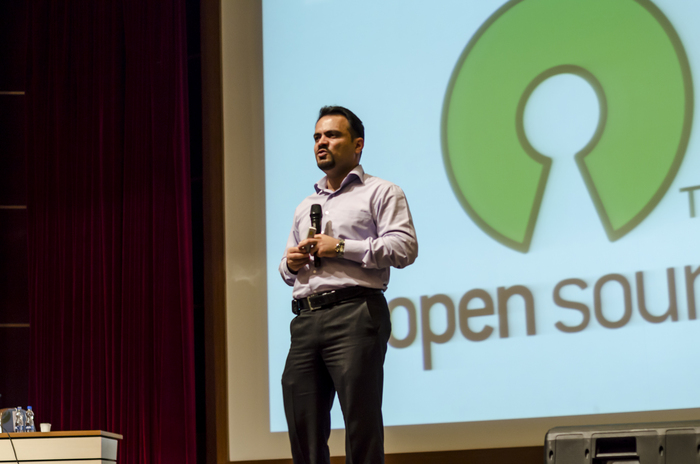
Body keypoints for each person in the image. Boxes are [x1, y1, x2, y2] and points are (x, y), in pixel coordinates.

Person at [279, 106, 418, 464]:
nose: (321, 142)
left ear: (358, 145)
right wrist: (290, 263)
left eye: (332, 135)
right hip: (306, 319)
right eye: (317, 137)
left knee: (360, 424)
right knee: (302, 424)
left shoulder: (381, 192)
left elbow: (404, 248)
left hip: (356, 313)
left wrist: (340, 247)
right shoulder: (305, 206)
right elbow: (286, 270)